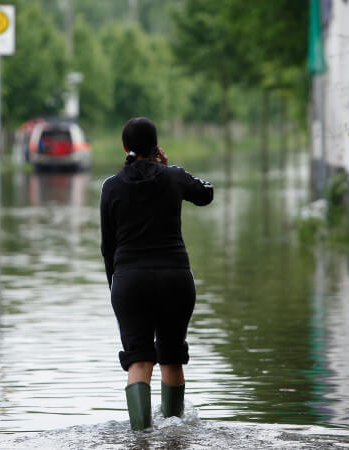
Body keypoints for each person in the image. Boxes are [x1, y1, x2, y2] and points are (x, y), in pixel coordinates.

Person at [100, 117, 213, 430]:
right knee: (171, 357)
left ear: (125, 147)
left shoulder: (111, 187)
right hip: (174, 279)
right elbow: (206, 193)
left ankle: (140, 437)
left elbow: (107, 246)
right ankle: (174, 432)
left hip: (130, 281)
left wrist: (116, 285)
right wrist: (170, 167)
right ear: (156, 146)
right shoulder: (173, 177)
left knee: (139, 360)